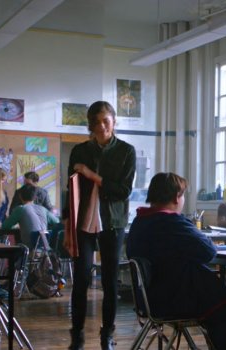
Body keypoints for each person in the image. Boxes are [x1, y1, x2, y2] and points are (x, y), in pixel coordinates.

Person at [127, 172, 226, 349]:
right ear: (177, 197)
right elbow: (208, 252)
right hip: (177, 300)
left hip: (149, 299)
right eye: (183, 195)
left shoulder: (140, 221)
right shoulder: (171, 222)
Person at [63, 100, 135, 350]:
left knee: (110, 281)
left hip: (112, 223)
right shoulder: (80, 150)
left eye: (106, 120)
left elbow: (123, 191)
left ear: (114, 122)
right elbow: (69, 191)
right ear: (90, 125)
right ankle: (78, 335)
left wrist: (92, 175)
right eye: (96, 122)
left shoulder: (126, 151)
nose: (102, 126)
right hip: (82, 223)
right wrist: (66, 226)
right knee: (81, 279)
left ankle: (107, 335)